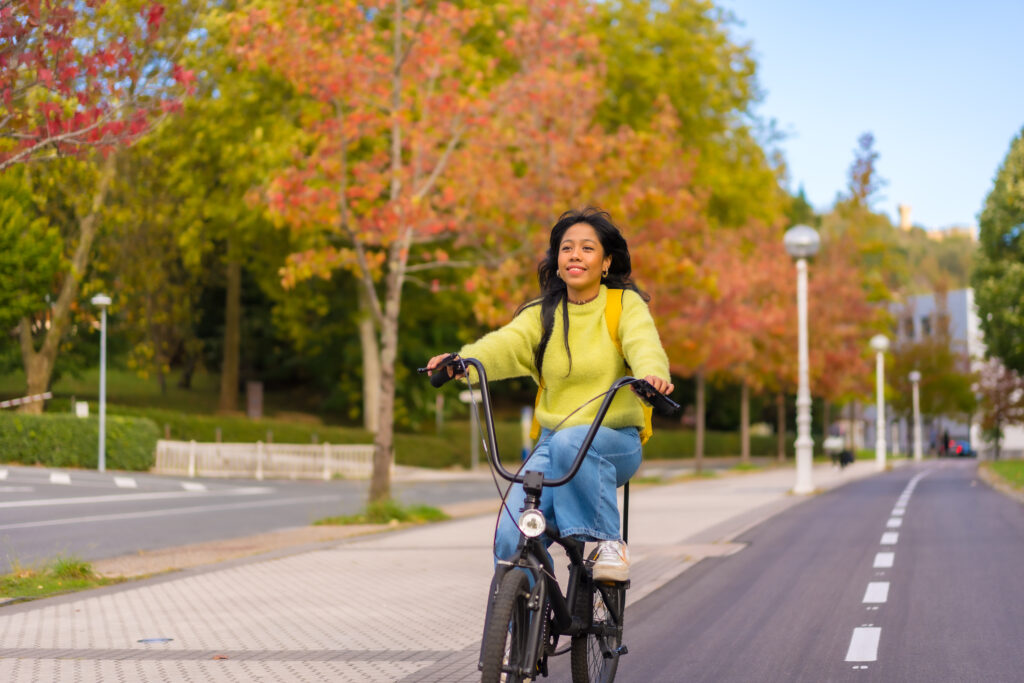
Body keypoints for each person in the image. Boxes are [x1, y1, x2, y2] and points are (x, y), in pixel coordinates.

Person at [425, 208, 673, 582]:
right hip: (552, 442)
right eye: (566, 248)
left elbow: (644, 345)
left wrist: (651, 375)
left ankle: (609, 542)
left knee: (571, 442)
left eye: (588, 248)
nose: (575, 255)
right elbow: (505, 345)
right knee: (512, 537)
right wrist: (464, 362)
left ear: (606, 262)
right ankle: (528, 629)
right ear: (556, 261)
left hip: (613, 442)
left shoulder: (623, 306)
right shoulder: (542, 314)